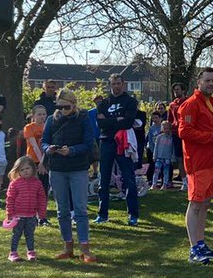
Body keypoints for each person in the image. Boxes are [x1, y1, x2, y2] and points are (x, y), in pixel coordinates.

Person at [42, 90, 97, 263]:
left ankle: (85, 249)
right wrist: (48, 148)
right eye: (60, 106)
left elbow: (88, 143)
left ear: (74, 104)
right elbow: (44, 141)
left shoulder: (83, 118)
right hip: (57, 168)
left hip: (78, 168)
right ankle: (67, 246)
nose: (63, 110)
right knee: (62, 210)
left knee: (80, 210)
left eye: (67, 106)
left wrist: (72, 150)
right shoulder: (52, 120)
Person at [178, 68, 213, 263]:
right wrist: (212, 136)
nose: (211, 84)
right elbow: (184, 132)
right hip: (198, 162)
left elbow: (208, 130)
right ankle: (193, 249)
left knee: (205, 204)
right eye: (207, 80)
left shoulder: (211, 103)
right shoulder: (191, 104)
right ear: (198, 82)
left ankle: (201, 243)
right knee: (196, 204)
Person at [90, 75, 141, 227]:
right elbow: (100, 124)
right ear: (110, 85)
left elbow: (128, 121)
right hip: (106, 141)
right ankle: (102, 214)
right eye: (113, 84)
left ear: (123, 84)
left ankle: (133, 215)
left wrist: (110, 121)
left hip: (122, 142)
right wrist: (117, 120)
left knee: (128, 178)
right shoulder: (103, 103)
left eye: (118, 83)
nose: (116, 86)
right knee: (103, 178)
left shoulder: (130, 101)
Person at [5, 156, 47, 262]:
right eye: (22, 170)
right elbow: (10, 199)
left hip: (31, 215)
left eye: (27, 168)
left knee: (30, 235)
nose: (25, 171)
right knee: (16, 235)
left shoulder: (37, 183)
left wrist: (41, 213)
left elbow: (42, 198)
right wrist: (10, 213)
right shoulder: (15, 183)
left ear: (33, 168)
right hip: (17, 216)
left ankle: (31, 252)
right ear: (18, 171)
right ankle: (13, 253)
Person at [166, 82, 187, 189]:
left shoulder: (188, 102)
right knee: (179, 158)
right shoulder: (172, 105)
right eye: (174, 90)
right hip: (175, 133)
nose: (176, 92)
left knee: (188, 157)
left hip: (187, 133)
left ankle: (191, 180)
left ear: (183, 91)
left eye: (178, 90)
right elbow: (170, 120)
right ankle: (184, 182)